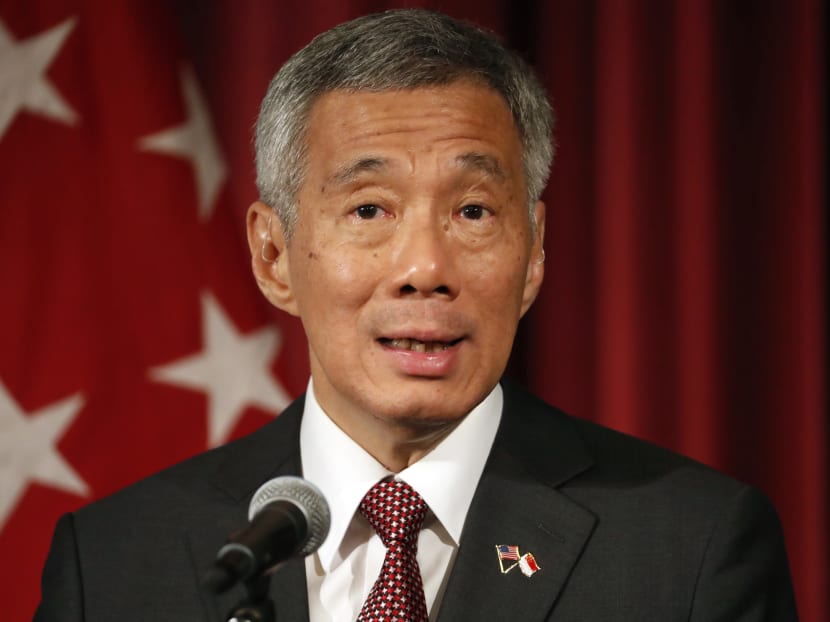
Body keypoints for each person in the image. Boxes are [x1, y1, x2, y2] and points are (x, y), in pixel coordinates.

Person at [36, 9, 798, 621]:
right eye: (370, 209)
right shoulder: (111, 564)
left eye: (472, 211)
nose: (425, 270)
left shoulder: (690, 549)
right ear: (274, 257)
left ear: (533, 254)